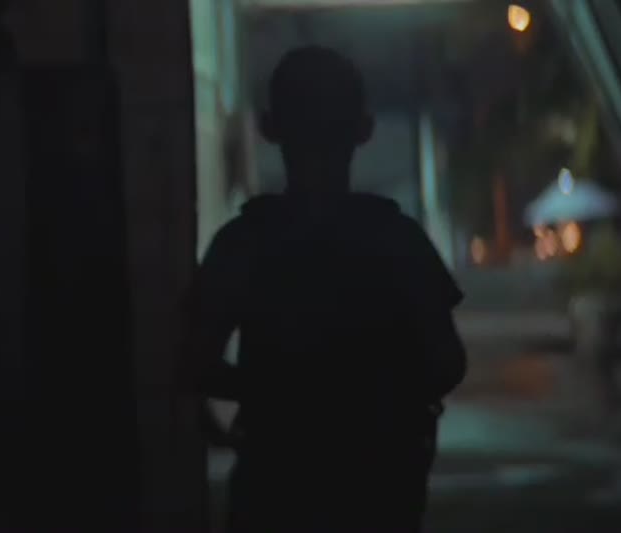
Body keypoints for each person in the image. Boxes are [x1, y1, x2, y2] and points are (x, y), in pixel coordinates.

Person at [184, 46, 468, 532]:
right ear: (363, 130)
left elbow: (193, 360)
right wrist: (375, 395)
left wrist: (277, 393)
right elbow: (447, 362)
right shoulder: (397, 239)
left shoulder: (243, 243)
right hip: (377, 492)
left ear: (269, 128)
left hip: (273, 489)